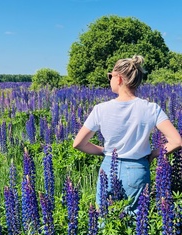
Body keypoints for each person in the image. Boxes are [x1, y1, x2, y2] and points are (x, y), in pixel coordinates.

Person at [73, 55, 182, 214]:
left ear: (118, 78)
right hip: (138, 168)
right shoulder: (151, 108)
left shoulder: (100, 109)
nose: (109, 79)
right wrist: (153, 154)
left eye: (110, 76)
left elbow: (78, 144)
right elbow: (177, 141)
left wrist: (105, 151)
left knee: (105, 218)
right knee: (135, 222)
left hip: (108, 168)